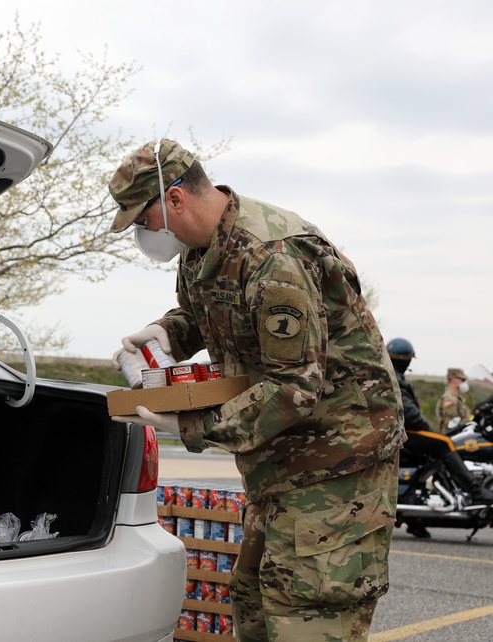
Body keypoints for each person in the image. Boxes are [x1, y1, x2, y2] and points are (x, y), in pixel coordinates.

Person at [107, 139, 406, 642]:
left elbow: (294, 389)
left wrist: (190, 425)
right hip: (278, 462)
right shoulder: (201, 254)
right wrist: (169, 333)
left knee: (306, 617)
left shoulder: (274, 256)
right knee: (254, 607)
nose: (145, 233)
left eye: (144, 219)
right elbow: (214, 314)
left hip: (338, 465)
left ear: (176, 199)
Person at [385, 339, 493, 540]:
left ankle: (417, 520)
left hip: (400, 432)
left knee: (437, 449)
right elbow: (410, 414)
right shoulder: (395, 380)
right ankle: (476, 491)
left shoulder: (393, 377)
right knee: (444, 443)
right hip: (405, 434)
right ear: (405, 361)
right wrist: (429, 430)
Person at [435, 367, 471, 433]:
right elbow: (453, 422)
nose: (463, 382)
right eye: (462, 379)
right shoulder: (449, 399)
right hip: (454, 437)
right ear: (453, 379)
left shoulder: (456, 398)